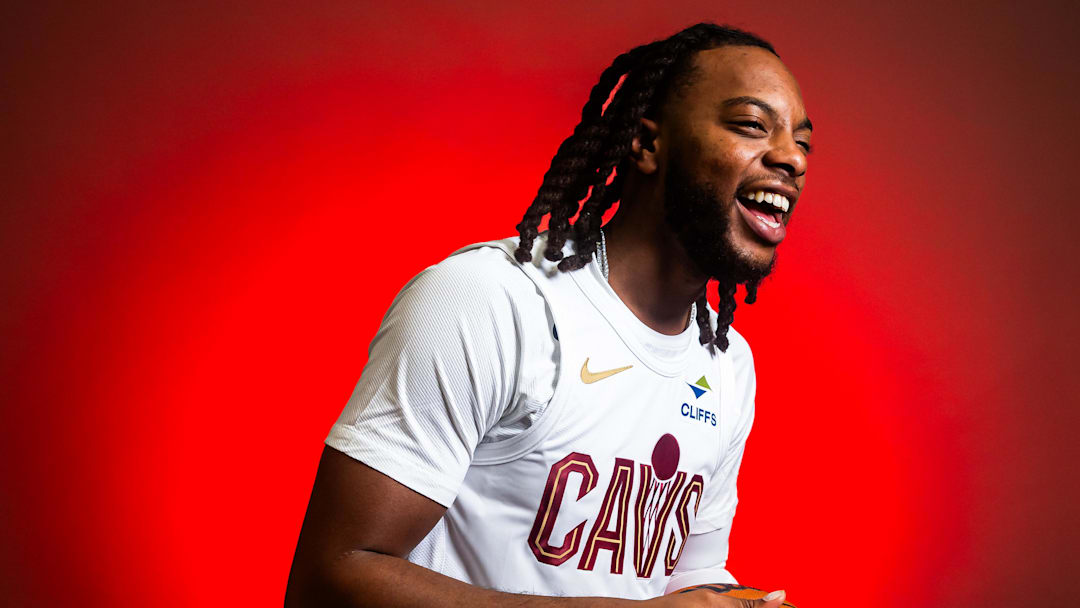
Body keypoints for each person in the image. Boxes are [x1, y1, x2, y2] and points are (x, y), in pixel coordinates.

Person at [286, 22, 812, 608]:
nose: (792, 158)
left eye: (803, 143)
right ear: (647, 144)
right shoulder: (492, 301)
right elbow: (330, 579)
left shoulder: (727, 365)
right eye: (751, 125)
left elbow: (686, 580)